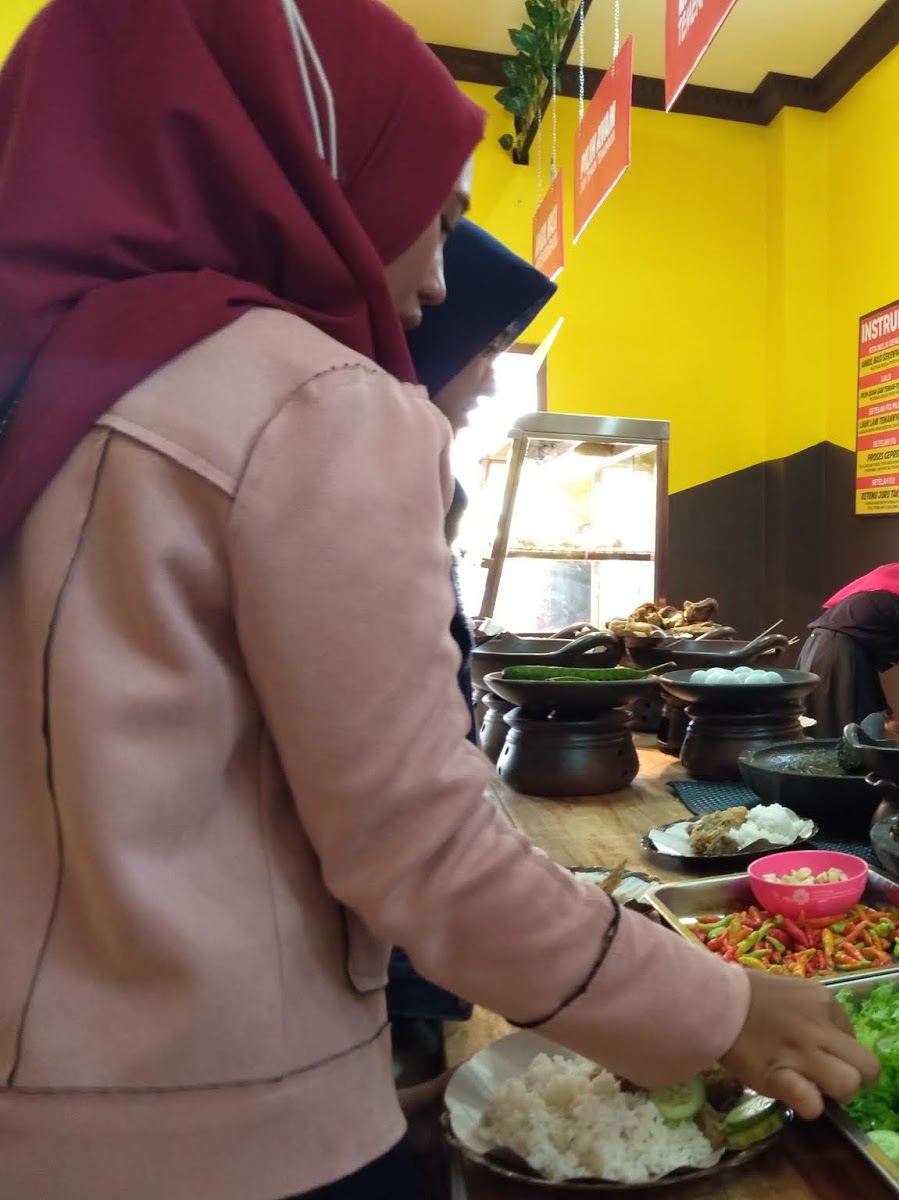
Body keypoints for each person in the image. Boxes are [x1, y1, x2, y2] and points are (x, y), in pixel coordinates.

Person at [0, 4, 875, 1198]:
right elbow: (419, 849)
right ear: (320, 166)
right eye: (445, 216)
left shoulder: (55, 388)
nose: (437, 282)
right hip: (242, 1128)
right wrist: (724, 1009)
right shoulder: (309, 400)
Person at [387, 219, 557, 1090]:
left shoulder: (419, 473)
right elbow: (389, 776)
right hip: (386, 930)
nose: (492, 376)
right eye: (486, 348)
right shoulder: (365, 480)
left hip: (413, 915)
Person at [798, 555, 899, 738]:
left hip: (816, 649)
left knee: (823, 736)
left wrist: (885, 714)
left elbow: (863, 658)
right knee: (849, 741)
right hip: (838, 656)